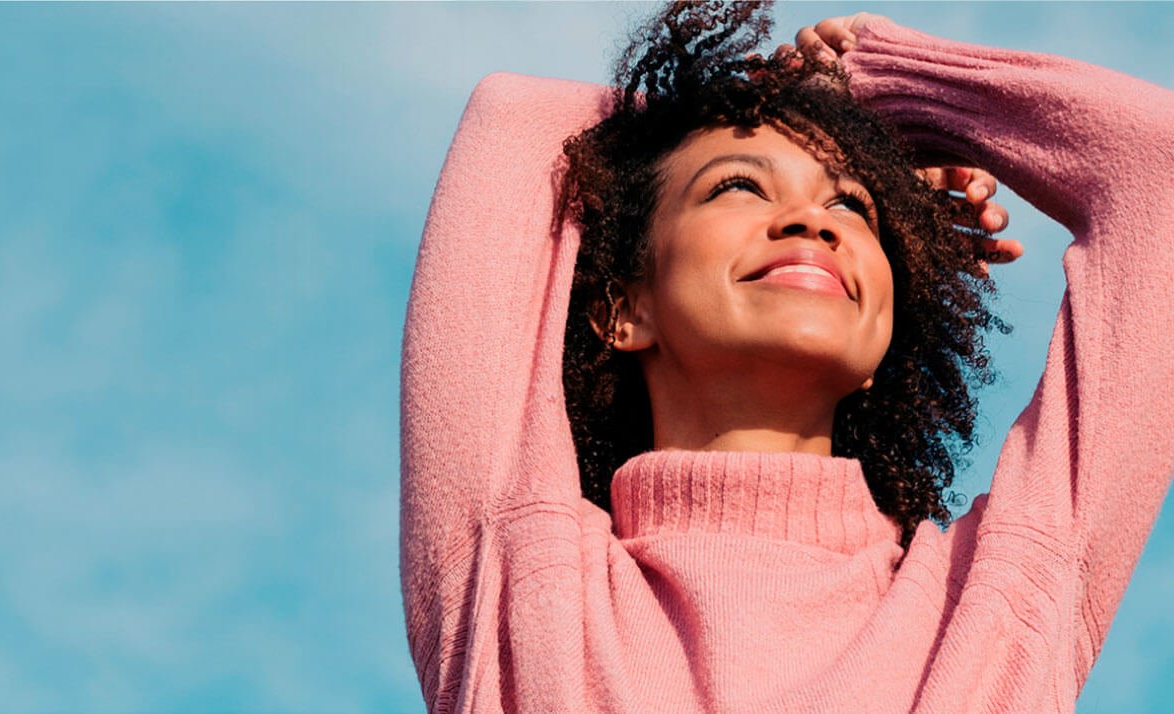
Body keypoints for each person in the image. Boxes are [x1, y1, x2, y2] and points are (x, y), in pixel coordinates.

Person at [398, 2, 1174, 711]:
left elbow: (1158, 169)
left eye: (853, 205)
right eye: (737, 186)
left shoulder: (995, 603)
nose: (812, 217)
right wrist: (778, 100)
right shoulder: (516, 577)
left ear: (882, 342)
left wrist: (886, 85)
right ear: (622, 310)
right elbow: (518, 121)